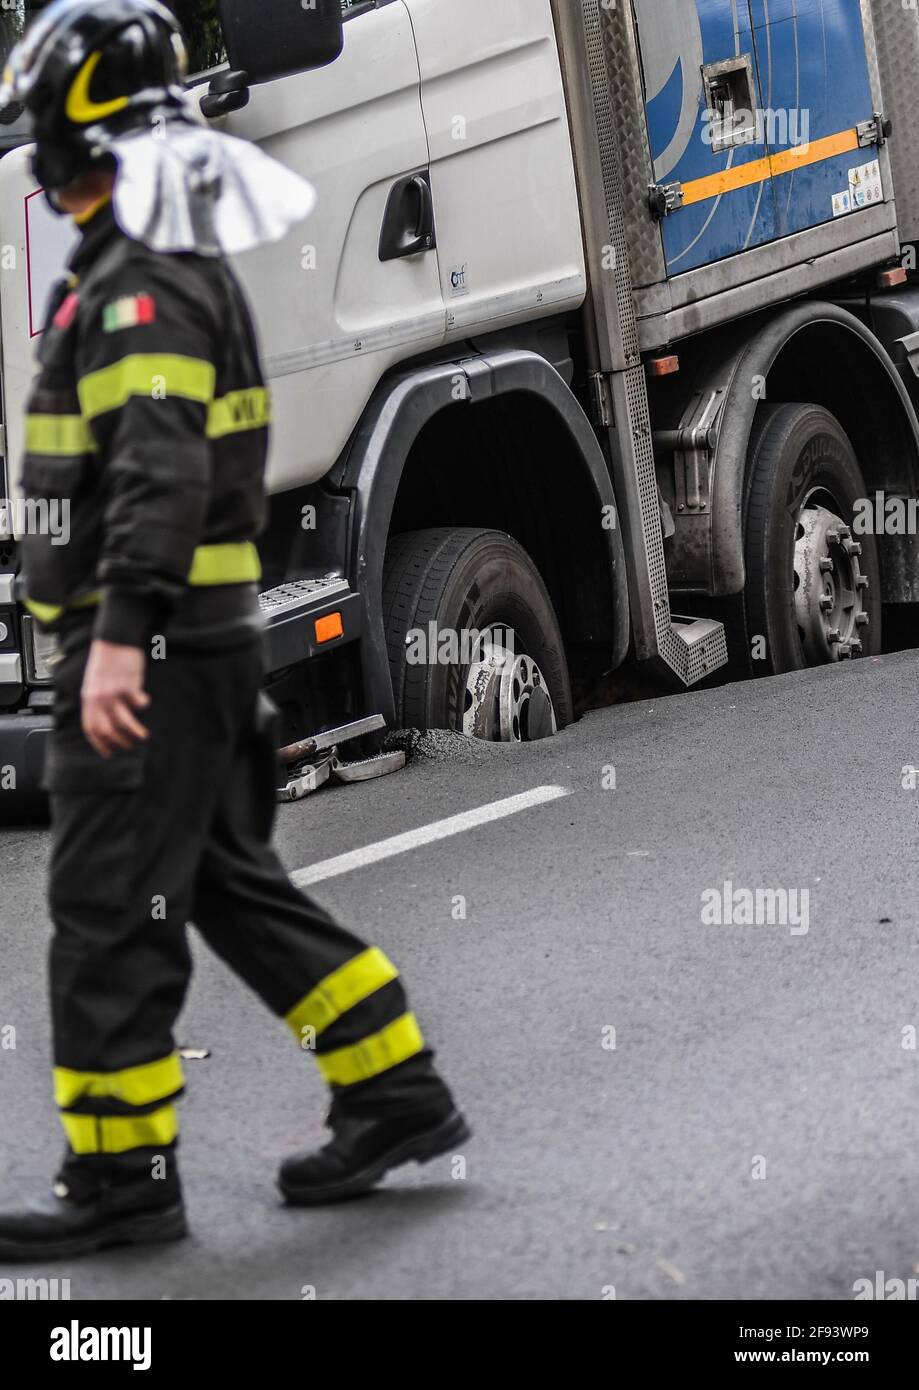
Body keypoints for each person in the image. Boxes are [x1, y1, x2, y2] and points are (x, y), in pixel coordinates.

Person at [0, 0, 467, 1261]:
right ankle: (392, 1089)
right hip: (193, 652)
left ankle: (122, 1180)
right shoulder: (161, 265)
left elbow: (153, 477)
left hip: (147, 657)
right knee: (227, 889)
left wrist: (110, 643)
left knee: (104, 911)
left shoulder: (140, 287)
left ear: (66, 138)